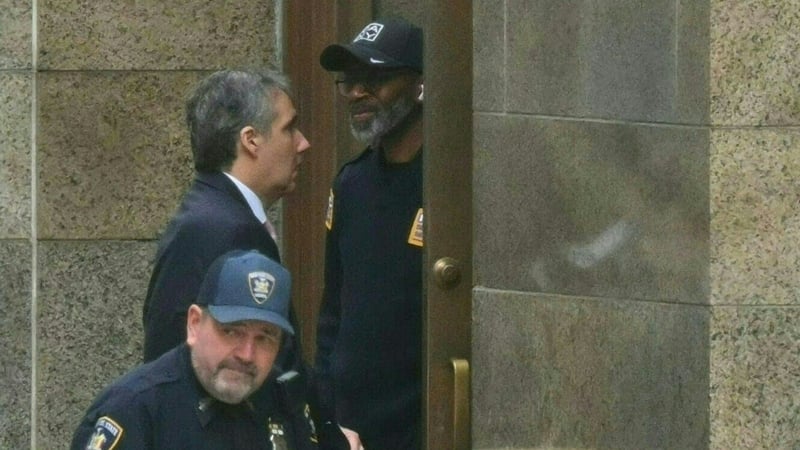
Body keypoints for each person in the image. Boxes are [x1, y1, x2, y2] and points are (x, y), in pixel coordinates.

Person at [142, 69, 310, 364]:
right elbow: (174, 358)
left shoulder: (216, 216)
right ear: (251, 140)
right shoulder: (219, 228)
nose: (303, 143)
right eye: (289, 129)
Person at [71, 250, 317, 449]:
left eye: (265, 338)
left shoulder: (284, 401)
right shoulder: (136, 410)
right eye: (231, 331)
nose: (246, 354)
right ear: (194, 324)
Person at [314, 17, 424, 450]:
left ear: (419, 85)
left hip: (421, 426)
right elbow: (332, 313)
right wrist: (326, 414)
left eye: (375, 78)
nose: (358, 92)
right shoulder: (350, 185)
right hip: (351, 431)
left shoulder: (447, 189)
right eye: (351, 80)